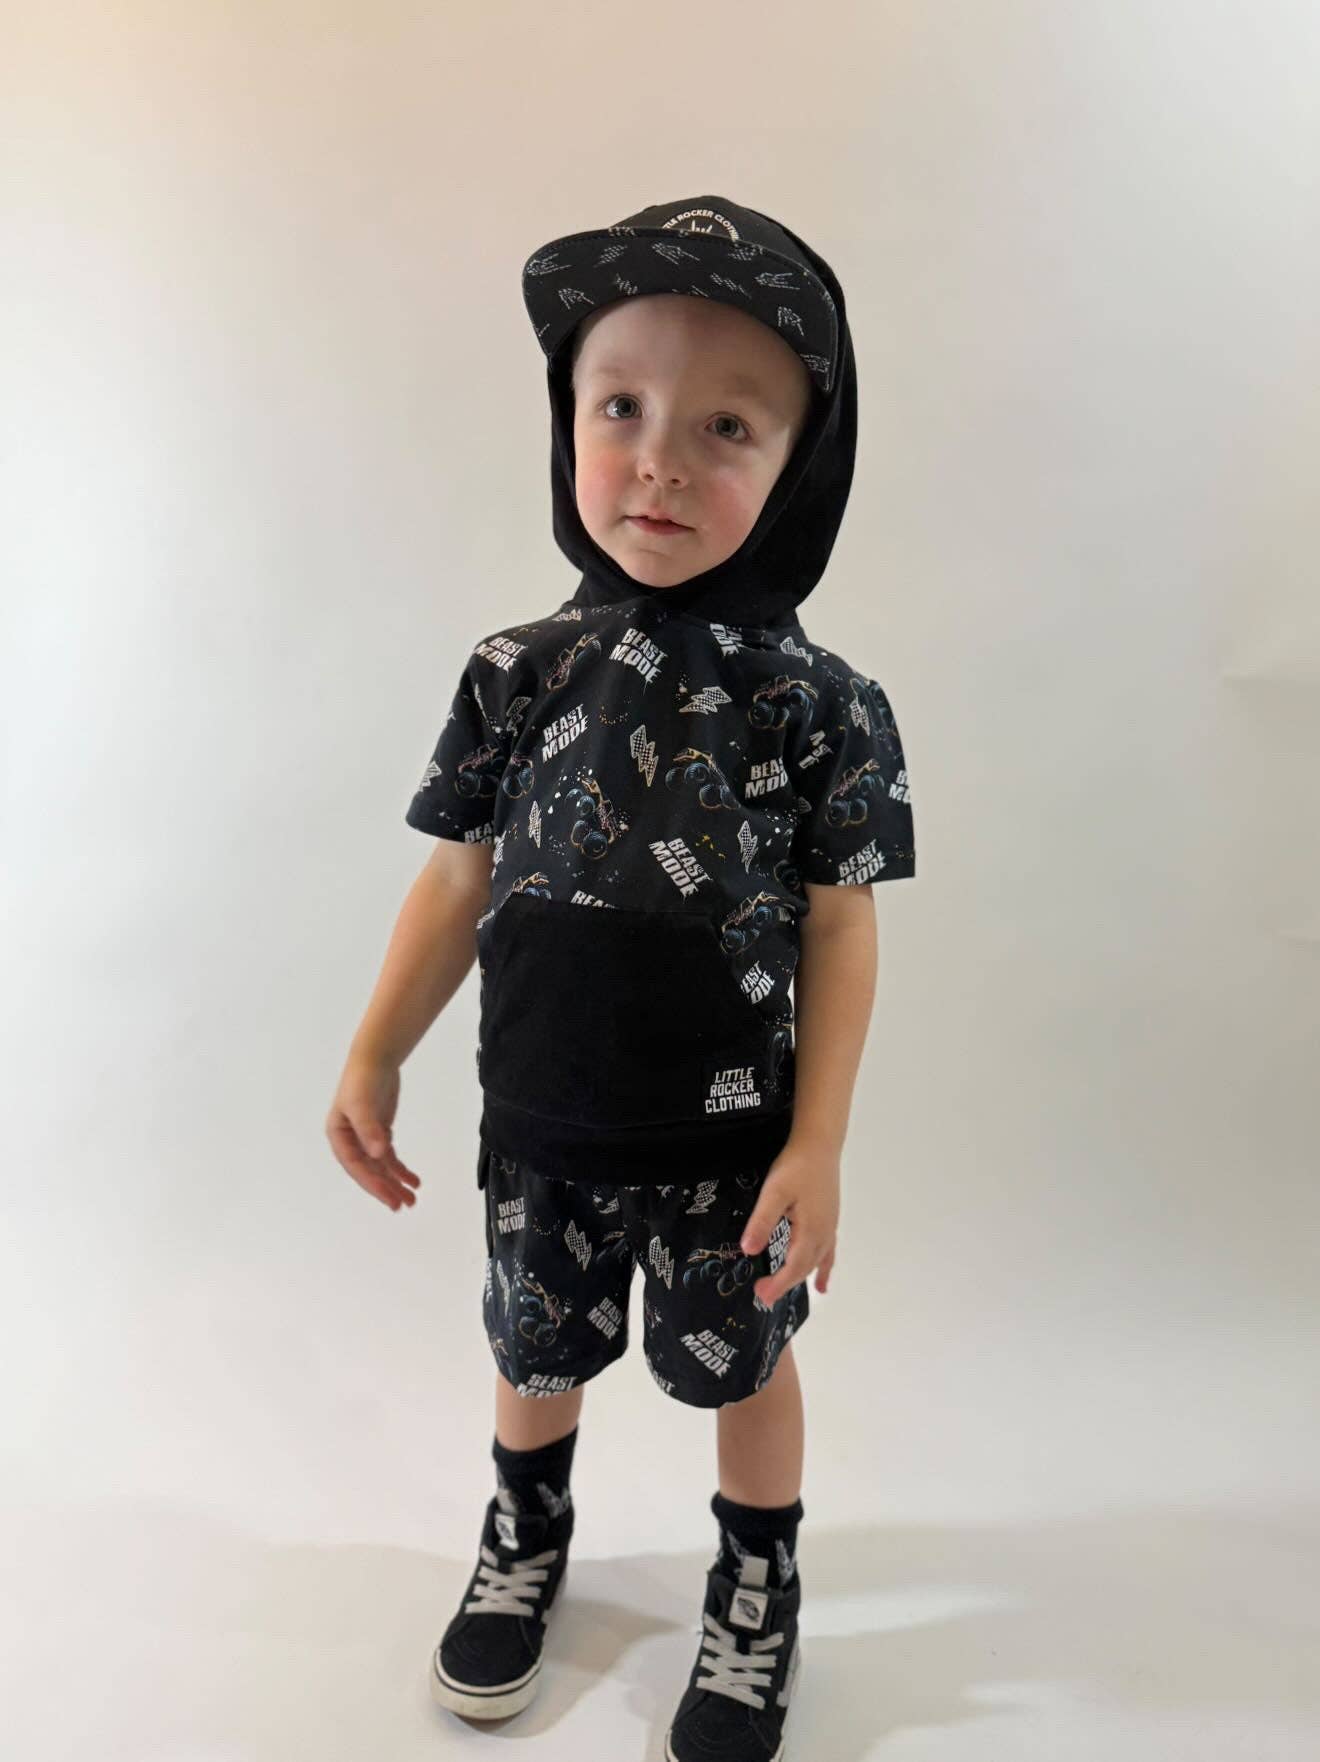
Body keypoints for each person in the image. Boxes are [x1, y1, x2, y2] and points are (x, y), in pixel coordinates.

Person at [326, 194, 916, 1761]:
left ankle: (758, 1580)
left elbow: (842, 925)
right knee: (532, 1349)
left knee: (748, 1368)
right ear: (567, 419)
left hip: (733, 1144)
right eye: (621, 407)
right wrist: (377, 1048)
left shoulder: (821, 701)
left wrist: (820, 1139)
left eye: (725, 426)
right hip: (543, 1117)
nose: (658, 460)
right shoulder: (514, 670)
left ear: (800, 470)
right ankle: (524, 1531)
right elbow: (457, 877)